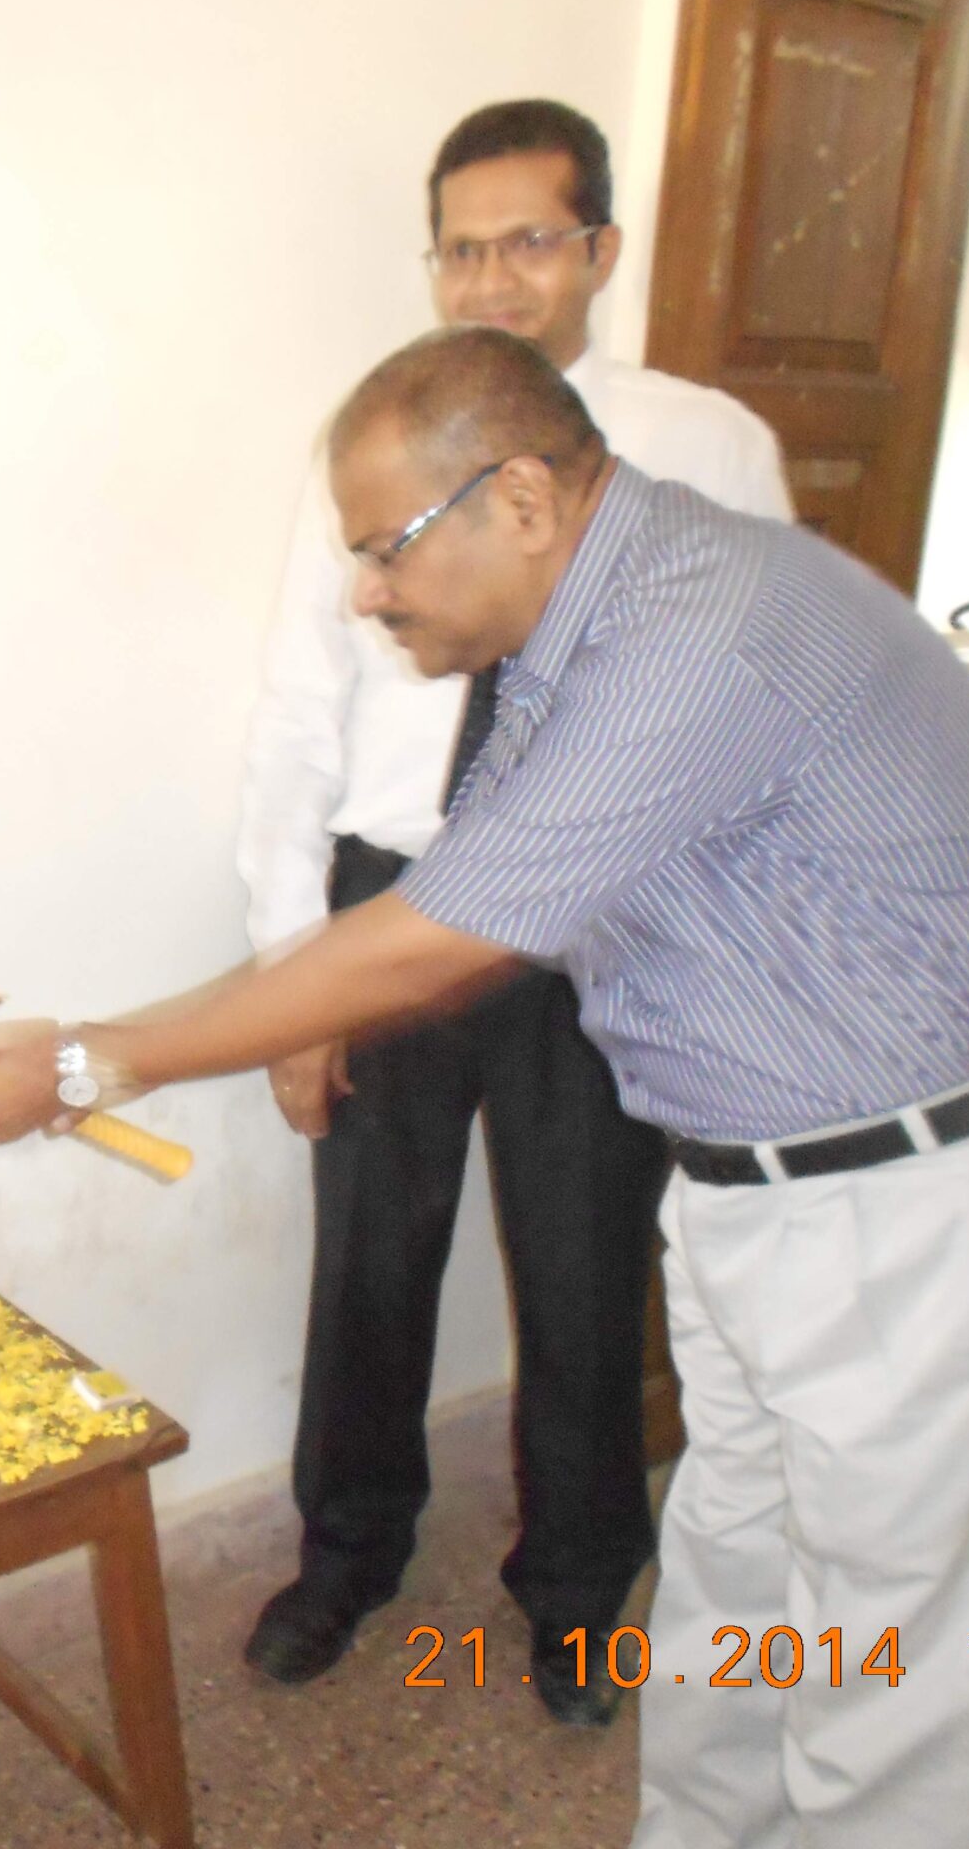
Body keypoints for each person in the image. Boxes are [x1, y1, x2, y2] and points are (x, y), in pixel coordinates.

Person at [0, 326, 969, 1849]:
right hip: (760, 1192)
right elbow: (451, 913)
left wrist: (96, 1062)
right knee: (733, 1621)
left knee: (887, 1693)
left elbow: (432, 943)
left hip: (920, 1204)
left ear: (526, 502)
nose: (364, 595)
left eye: (385, 551)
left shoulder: (697, 630)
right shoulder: (567, 642)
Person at [237, 98, 791, 1718]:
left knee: (583, 1264)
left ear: (599, 249)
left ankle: (577, 1591)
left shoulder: (706, 448)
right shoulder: (371, 445)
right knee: (370, 1261)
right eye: (461, 250)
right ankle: (347, 1553)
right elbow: (295, 715)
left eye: (528, 242)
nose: (491, 280)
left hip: (597, 917)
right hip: (396, 897)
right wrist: (290, 972)